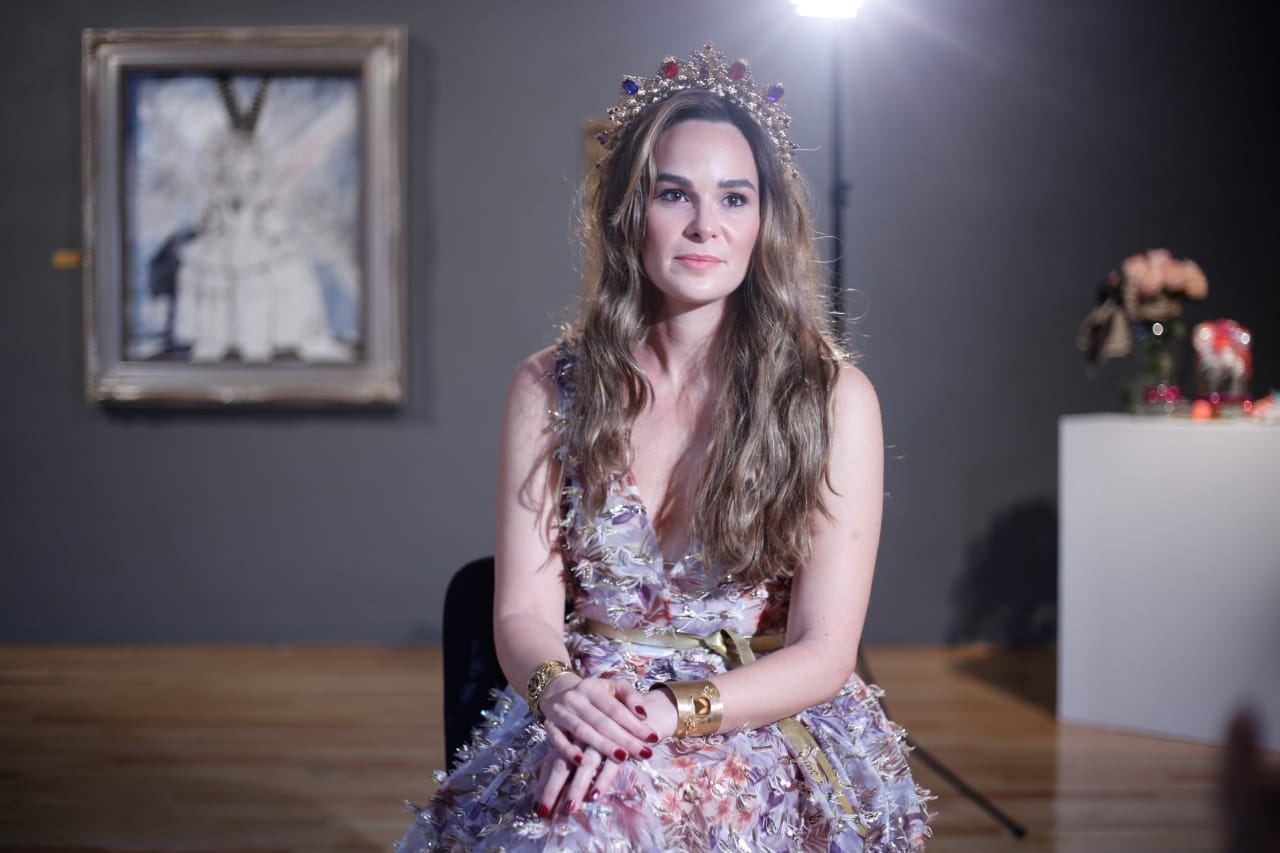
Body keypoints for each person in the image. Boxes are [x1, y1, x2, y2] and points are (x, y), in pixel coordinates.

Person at [399, 42, 932, 852]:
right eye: (674, 193)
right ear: (628, 212)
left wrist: (665, 712)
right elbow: (520, 612)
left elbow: (825, 651)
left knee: (606, 809)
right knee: (573, 814)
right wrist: (561, 693)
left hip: (753, 715)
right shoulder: (549, 386)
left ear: (766, 221)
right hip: (589, 707)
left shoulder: (831, 399)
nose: (705, 225)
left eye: (734, 197)